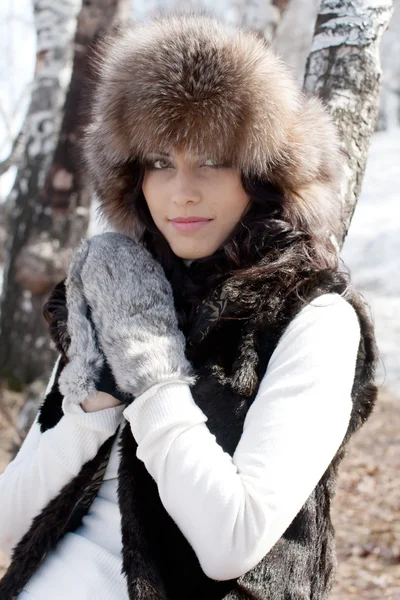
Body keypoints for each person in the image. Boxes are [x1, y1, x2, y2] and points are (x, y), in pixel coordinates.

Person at [0, 11, 378, 600]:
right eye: (159, 162)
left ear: (260, 172)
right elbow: (11, 521)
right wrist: (92, 401)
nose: (183, 191)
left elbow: (232, 542)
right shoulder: (125, 288)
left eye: (213, 158)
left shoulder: (314, 319)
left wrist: (150, 374)